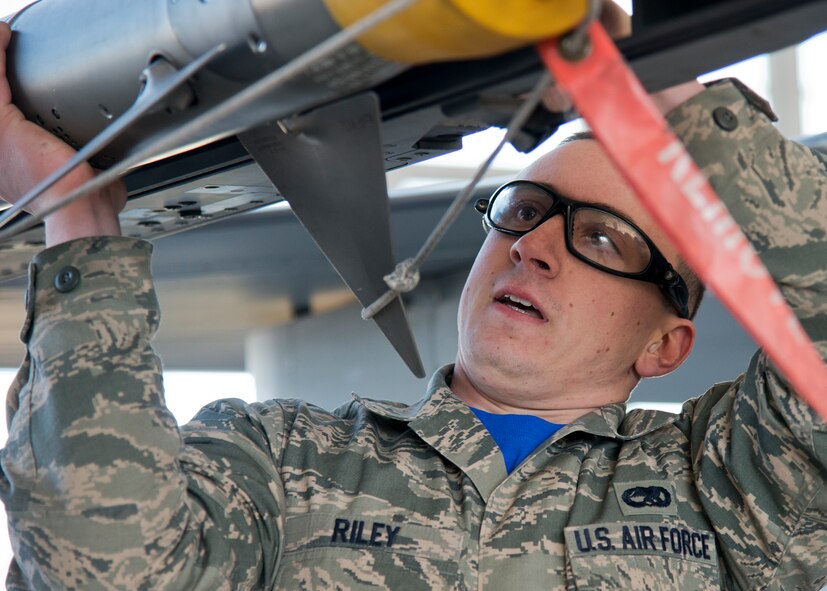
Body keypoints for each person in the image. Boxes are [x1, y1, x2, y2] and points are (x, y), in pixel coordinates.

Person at [0, 18, 825, 591]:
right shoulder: (285, 462)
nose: (532, 245)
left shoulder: (728, 486)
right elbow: (101, 561)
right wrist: (79, 217)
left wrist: (649, 78)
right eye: (525, 208)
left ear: (666, 345)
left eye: (603, 239)